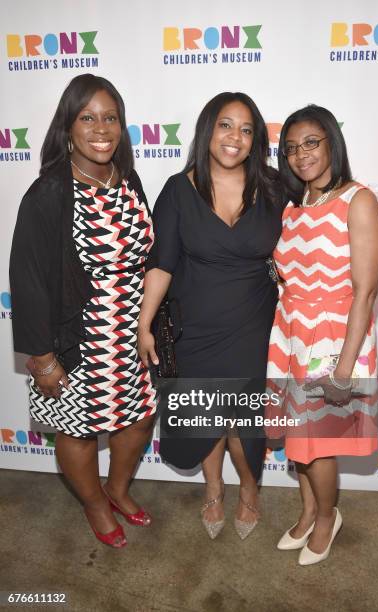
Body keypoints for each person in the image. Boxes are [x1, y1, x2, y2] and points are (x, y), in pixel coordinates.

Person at [9, 74, 157, 548]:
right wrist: (42, 357)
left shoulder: (127, 179)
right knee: (79, 430)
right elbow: (27, 279)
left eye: (110, 117)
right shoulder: (49, 193)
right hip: (79, 340)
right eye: (87, 117)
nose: (101, 128)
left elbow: (147, 254)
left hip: (132, 333)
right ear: (68, 127)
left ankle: (116, 488)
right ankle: (95, 504)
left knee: (137, 418)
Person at [138, 92, 285, 539]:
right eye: (225, 125)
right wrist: (144, 324)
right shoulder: (179, 190)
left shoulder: (275, 187)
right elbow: (162, 262)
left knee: (242, 422)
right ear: (208, 130)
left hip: (252, 325)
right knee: (205, 417)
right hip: (194, 327)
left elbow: (316, 213)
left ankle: (250, 492)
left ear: (255, 140)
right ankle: (214, 489)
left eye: (245, 129)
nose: (234, 137)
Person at [266, 104, 378, 565]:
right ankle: (309, 508)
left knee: (317, 444)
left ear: (332, 141)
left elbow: (366, 292)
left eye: (311, 142)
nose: (301, 155)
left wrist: (344, 367)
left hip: (335, 339)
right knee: (301, 440)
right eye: (292, 148)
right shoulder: (295, 208)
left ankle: (328, 516)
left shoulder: (359, 200)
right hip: (292, 334)